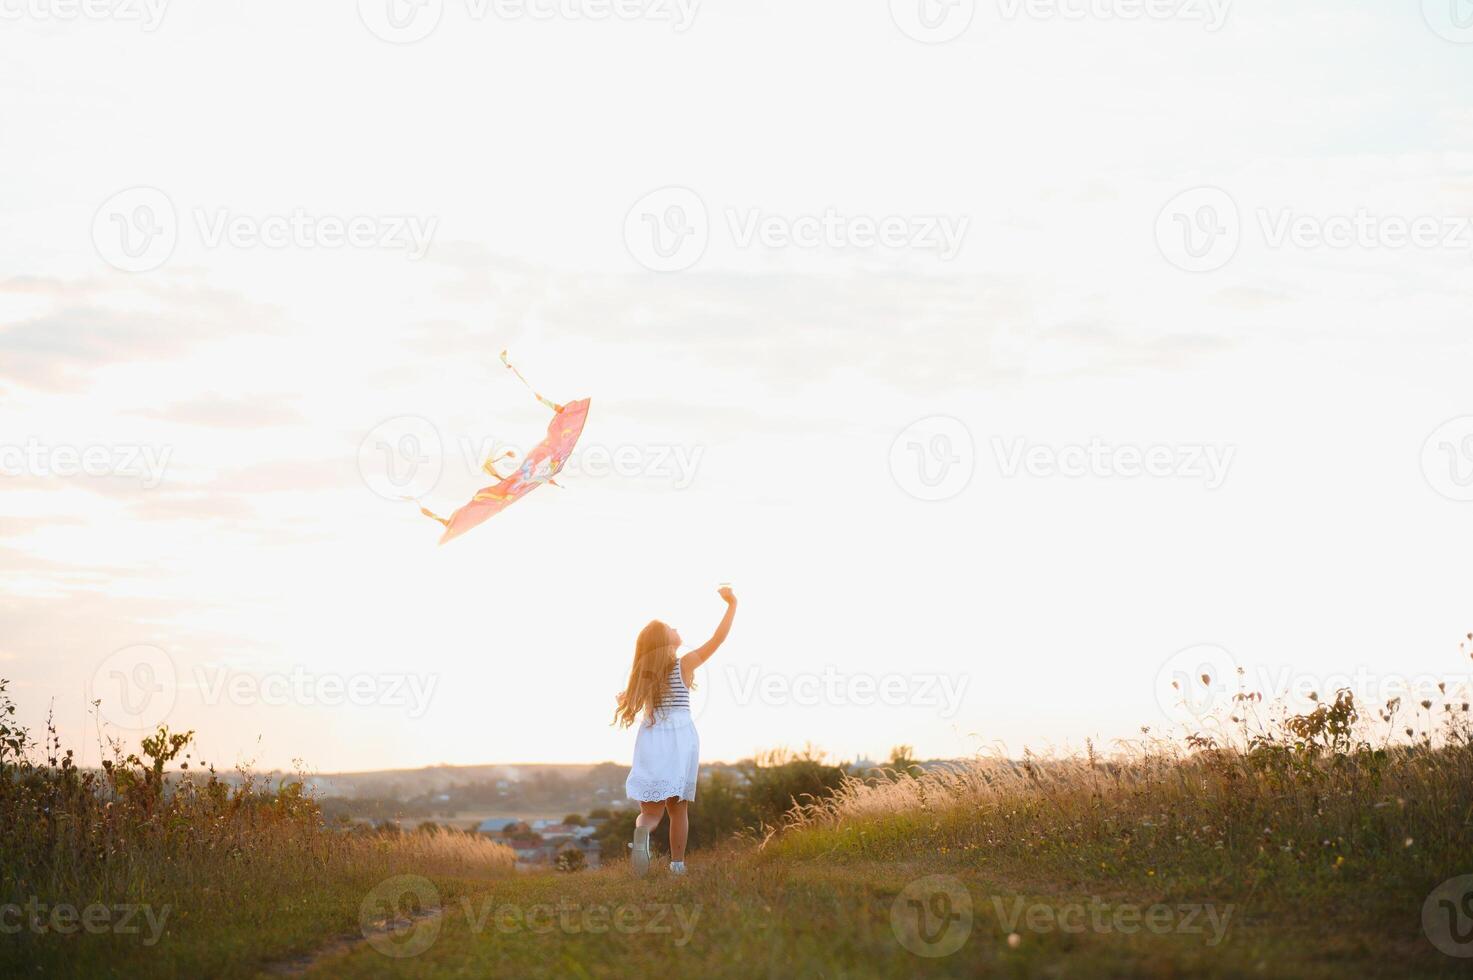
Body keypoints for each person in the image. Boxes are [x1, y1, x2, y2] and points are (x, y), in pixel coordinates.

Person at [613, 585, 738, 875]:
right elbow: (718, 639)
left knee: (650, 812)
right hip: (680, 740)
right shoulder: (685, 664)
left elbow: (630, 703)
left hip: (651, 739)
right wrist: (732, 605)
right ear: (665, 641)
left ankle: (643, 833)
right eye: (671, 627)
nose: (676, 627)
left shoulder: (642, 677)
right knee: (678, 810)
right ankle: (677, 867)